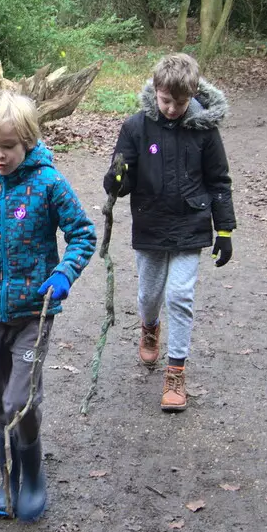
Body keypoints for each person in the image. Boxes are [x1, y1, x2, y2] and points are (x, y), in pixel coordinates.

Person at [0, 91, 96, 523]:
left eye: (8, 146)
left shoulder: (48, 183)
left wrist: (65, 273)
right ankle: (8, 472)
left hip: (34, 312)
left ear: (28, 141)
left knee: (19, 399)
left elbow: (82, 233)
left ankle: (32, 472)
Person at [104, 53, 235, 412]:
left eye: (181, 102)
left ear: (193, 93)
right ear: (156, 90)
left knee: (179, 295)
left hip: (191, 224)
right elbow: (123, 177)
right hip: (150, 223)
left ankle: (175, 371)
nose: (173, 109)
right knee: (149, 295)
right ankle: (149, 326)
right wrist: (116, 179)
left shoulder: (205, 130)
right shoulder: (136, 126)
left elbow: (219, 181)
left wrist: (224, 229)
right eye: (166, 101)